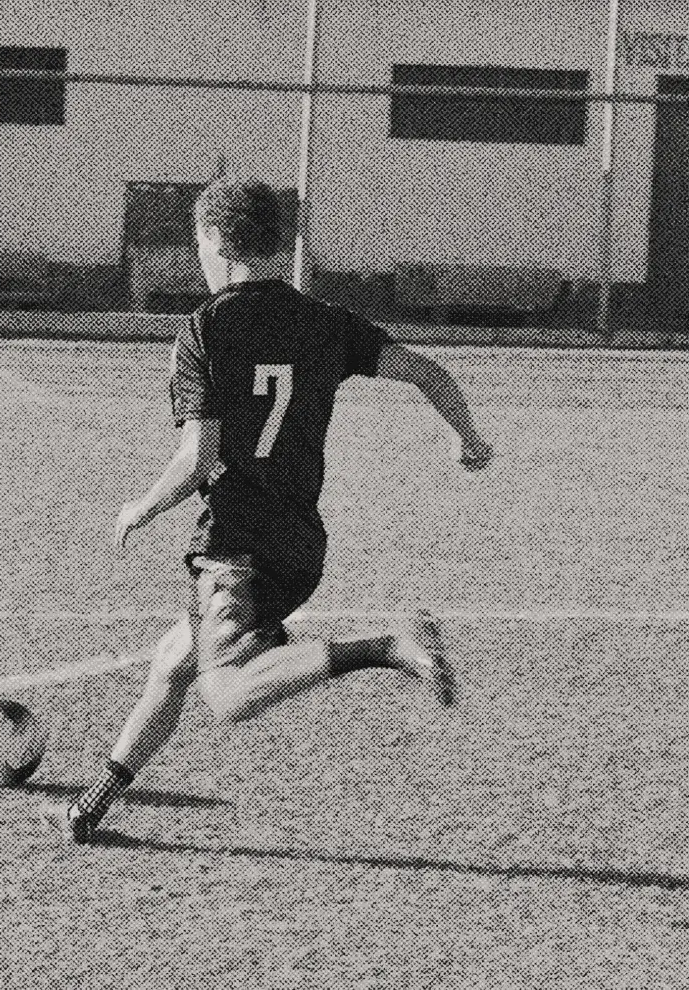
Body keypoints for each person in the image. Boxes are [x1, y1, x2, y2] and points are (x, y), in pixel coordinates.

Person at [45, 179, 493, 845]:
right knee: (173, 664)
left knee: (224, 695)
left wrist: (139, 507)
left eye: (197, 242)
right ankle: (91, 809)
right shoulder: (328, 323)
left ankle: (389, 647)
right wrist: (468, 439)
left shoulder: (205, 329)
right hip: (300, 545)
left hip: (236, 545)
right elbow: (426, 370)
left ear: (214, 244)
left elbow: (198, 460)